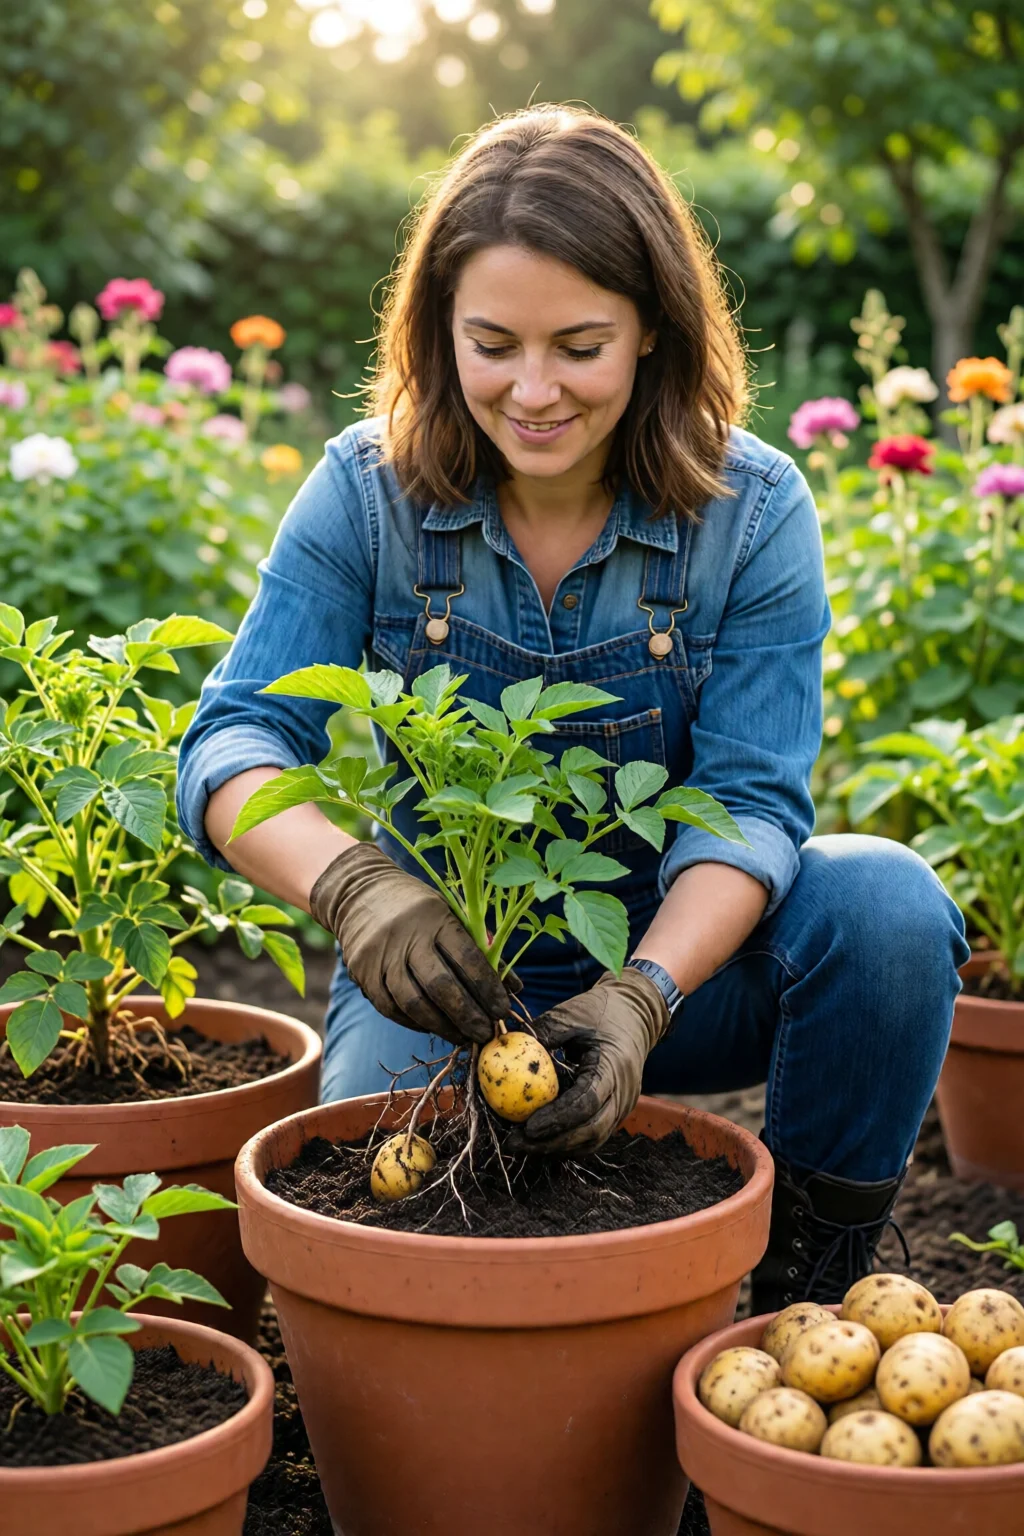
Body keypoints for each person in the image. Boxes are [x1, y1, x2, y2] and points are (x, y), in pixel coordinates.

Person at [176, 106, 969, 1310]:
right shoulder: (364, 493)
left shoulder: (750, 511)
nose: (532, 390)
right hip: (433, 981)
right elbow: (234, 740)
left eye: (579, 346)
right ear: (437, 332)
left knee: (885, 906)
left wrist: (640, 996)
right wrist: (358, 890)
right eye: (491, 342)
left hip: (678, 980)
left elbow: (750, 802)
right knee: (393, 1236)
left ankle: (805, 1297)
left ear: (652, 331)